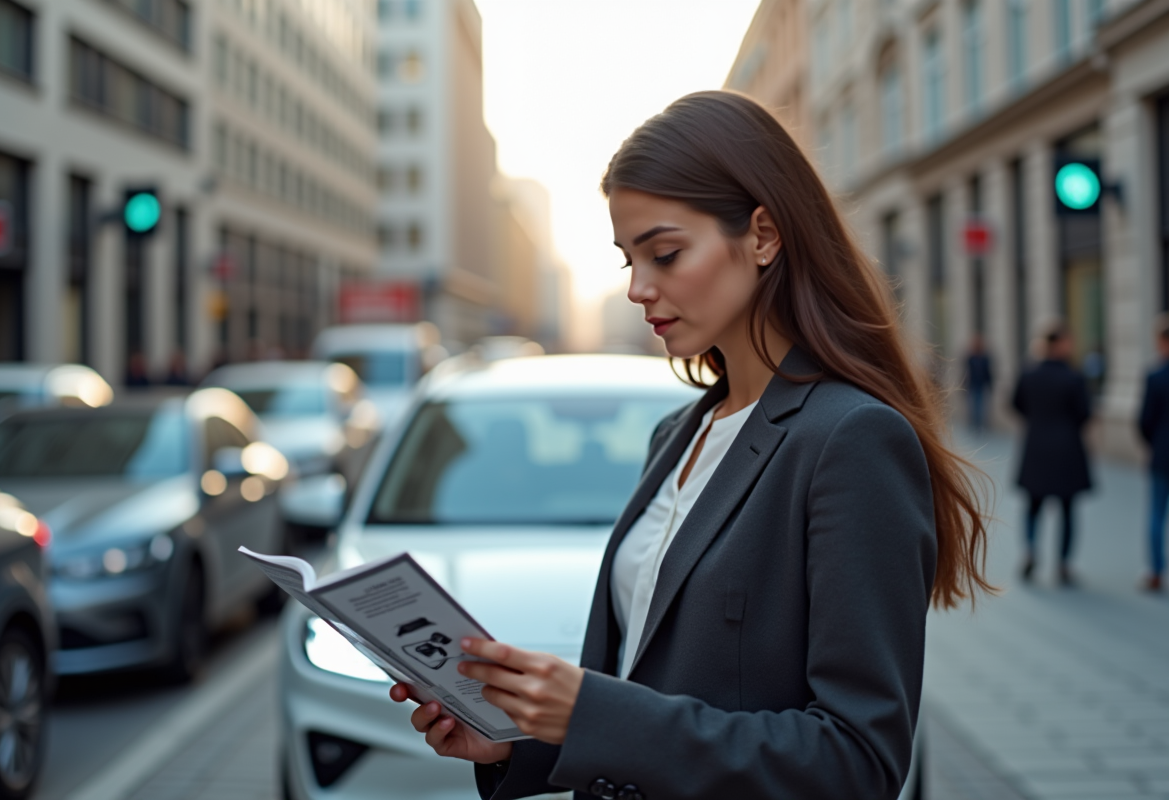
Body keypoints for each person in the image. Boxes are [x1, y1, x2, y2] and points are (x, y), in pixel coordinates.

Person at [389, 91, 991, 800]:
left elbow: (856, 763)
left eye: (666, 253)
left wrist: (591, 710)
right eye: (628, 261)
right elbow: (658, 690)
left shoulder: (850, 440)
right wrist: (514, 743)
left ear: (763, 235)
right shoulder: (676, 436)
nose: (640, 289)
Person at [1012, 323, 1092, 586]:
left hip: (1036, 446)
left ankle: (1031, 549)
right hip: (1067, 448)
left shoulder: (1029, 374)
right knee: (1067, 508)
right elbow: (1084, 413)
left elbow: (1016, 403)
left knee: (1033, 506)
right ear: (1059, 344)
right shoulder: (1073, 377)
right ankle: (1064, 564)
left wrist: (1037, 421)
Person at [1137, 314, 1169, 593]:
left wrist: (1154, 443)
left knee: (1157, 513)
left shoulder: (1155, 376)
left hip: (1162, 453)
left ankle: (1157, 571)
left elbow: (1144, 421)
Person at [964, 333, 993, 434]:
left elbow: (988, 372)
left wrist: (990, 385)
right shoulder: (971, 357)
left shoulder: (985, 357)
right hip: (973, 385)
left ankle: (980, 426)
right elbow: (966, 372)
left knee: (980, 407)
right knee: (974, 407)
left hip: (981, 385)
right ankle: (975, 425)